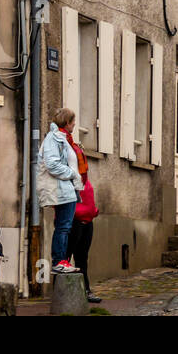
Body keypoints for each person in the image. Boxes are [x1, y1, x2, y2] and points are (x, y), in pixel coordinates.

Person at [37, 108, 83, 275]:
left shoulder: (64, 138)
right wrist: (73, 174)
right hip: (60, 189)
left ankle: (62, 260)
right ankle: (59, 261)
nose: (75, 124)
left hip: (66, 189)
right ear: (66, 122)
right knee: (63, 227)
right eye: (72, 121)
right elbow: (52, 164)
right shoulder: (53, 138)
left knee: (65, 226)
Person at [64, 119, 101, 303]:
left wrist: (94, 211)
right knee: (66, 258)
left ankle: (85, 291)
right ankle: (65, 294)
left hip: (88, 221)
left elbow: (88, 196)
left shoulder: (84, 179)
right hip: (75, 220)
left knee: (82, 258)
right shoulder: (70, 179)